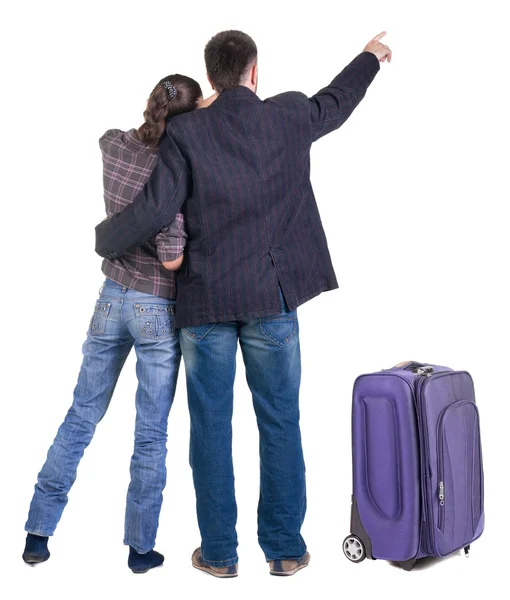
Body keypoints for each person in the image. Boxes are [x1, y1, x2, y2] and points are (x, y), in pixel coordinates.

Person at [95, 30, 392, 578]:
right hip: (271, 298)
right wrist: (370, 57)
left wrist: (105, 239)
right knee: (280, 421)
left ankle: (220, 556)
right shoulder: (288, 115)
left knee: (210, 427)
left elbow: (157, 209)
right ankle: (283, 549)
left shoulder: (185, 132)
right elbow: (338, 99)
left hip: (206, 302)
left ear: (210, 78)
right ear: (256, 72)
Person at [23, 74, 206, 574]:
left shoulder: (113, 145)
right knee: (150, 433)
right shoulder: (172, 172)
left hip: (110, 297)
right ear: (189, 121)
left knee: (81, 415)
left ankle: (37, 534)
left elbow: (125, 138)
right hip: (155, 306)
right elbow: (171, 258)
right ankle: (140, 550)